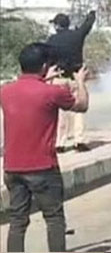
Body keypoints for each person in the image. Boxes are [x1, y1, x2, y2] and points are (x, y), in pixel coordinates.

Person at [1, 43, 90, 252]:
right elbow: (82, 105)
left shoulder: (5, 92)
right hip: (42, 167)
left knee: (17, 221)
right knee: (54, 218)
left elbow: (28, 95)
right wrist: (80, 81)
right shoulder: (53, 92)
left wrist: (44, 78)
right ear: (44, 66)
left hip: (12, 168)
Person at [47, 10, 95, 152]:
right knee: (79, 109)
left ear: (57, 26)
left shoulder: (52, 40)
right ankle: (79, 141)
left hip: (59, 78)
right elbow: (87, 26)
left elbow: (47, 59)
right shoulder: (77, 35)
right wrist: (91, 14)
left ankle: (60, 143)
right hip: (76, 77)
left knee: (61, 111)